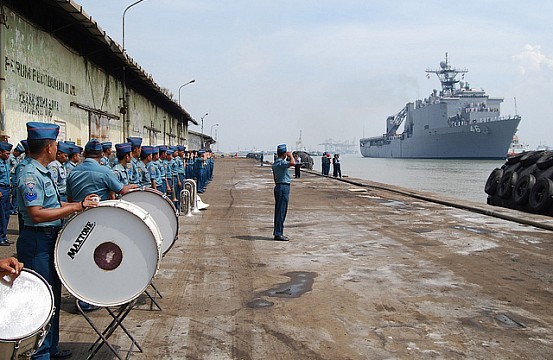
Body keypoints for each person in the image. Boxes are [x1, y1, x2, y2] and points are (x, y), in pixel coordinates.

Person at [17, 122, 99, 360]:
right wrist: (76, 206)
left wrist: (80, 205)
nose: (56, 148)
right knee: (40, 299)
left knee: (53, 295)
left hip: (49, 239)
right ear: (50, 147)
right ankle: (40, 353)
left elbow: (52, 205)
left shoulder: (42, 171)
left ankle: (50, 349)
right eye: (55, 144)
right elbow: (37, 213)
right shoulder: (30, 174)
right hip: (37, 242)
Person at [66, 139, 137, 202]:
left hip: (78, 214)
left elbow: (70, 198)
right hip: (99, 213)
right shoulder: (105, 172)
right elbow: (122, 190)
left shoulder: (73, 172)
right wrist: (134, 186)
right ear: (102, 154)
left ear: (84, 153)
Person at [271, 144, 295, 241]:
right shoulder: (281, 163)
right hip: (283, 186)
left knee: (279, 210)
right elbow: (293, 163)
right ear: (284, 153)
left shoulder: (276, 163)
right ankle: (278, 233)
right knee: (281, 211)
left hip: (278, 185)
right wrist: (291, 156)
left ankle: (277, 232)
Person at [0, 141, 13, 246]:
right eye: (7, 153)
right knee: (1, 215)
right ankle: (0, 237)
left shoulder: (6, 162)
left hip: (7, 189)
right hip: (1, 190)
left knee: (6, 213)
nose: (8, 155)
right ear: (0, 153)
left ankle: (4, 236)